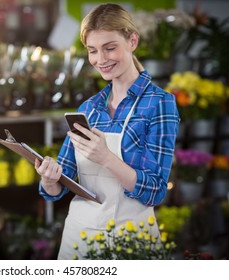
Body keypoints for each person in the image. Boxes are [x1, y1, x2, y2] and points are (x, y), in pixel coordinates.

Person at [34, 3, 180, 260]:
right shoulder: (88, 108)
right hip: (79, 238)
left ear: (132, 41)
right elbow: (60, 185)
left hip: (131, 239)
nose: (100, 60)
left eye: (110, 48)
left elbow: (156, 191)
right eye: (93, 51)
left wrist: (107, 158)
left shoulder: (159, 103)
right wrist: (49, 178)